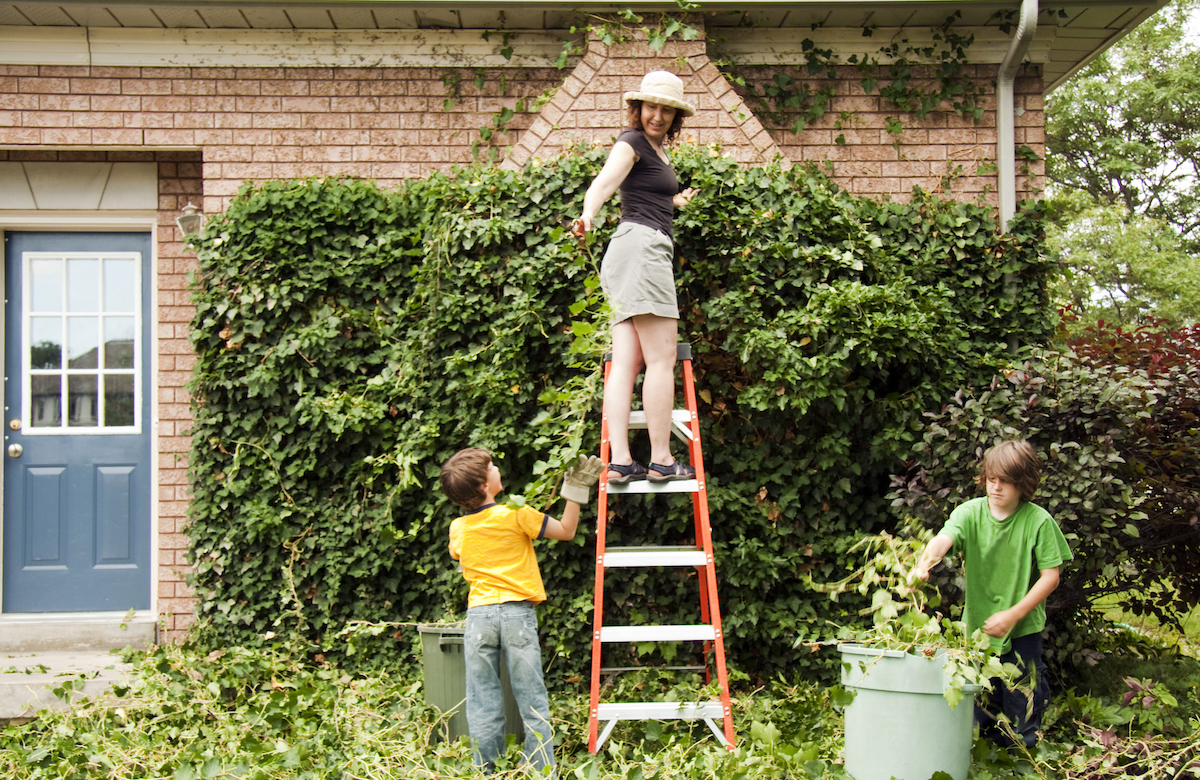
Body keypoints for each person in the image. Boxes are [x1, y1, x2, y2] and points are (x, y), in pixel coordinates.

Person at [440, 449, 602, 775]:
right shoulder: (516, 514)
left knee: (482, 700)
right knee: (532, 699)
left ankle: (488, 770)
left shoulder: (457, 528)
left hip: (479, 617)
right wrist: (574, 490)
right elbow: (567, 530)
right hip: (517, 614)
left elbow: (461, 556)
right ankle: (541, 771)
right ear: (486, 485)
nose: (497, 468)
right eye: (491, 467)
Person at [574, 70, 698, 484]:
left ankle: (622, 461)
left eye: (666, 109)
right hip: (644, 250)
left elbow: (648, 194)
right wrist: (588, 213)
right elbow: (605, 181)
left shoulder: (656, 152)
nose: (657, 116)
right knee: (661, 360)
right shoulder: (631, 144)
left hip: (629, 249)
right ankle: (662, 458)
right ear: (638, 108)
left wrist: (675, 200)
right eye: (651, 107)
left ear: (675, 116)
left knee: (626, 363)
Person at [912, 439, 1073, 750]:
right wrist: (925, 562)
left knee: (1021, 702)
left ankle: (1019, 757)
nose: (996, 488)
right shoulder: (970, 513)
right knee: (979, 702)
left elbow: (1050, 578)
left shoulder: (1038, 521)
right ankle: (983, 756)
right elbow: (945, 537)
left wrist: (1013, 614)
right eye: (991, 479)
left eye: (1006, 482)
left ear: (1024, 485)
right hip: (978, 630)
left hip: (1023, 630)